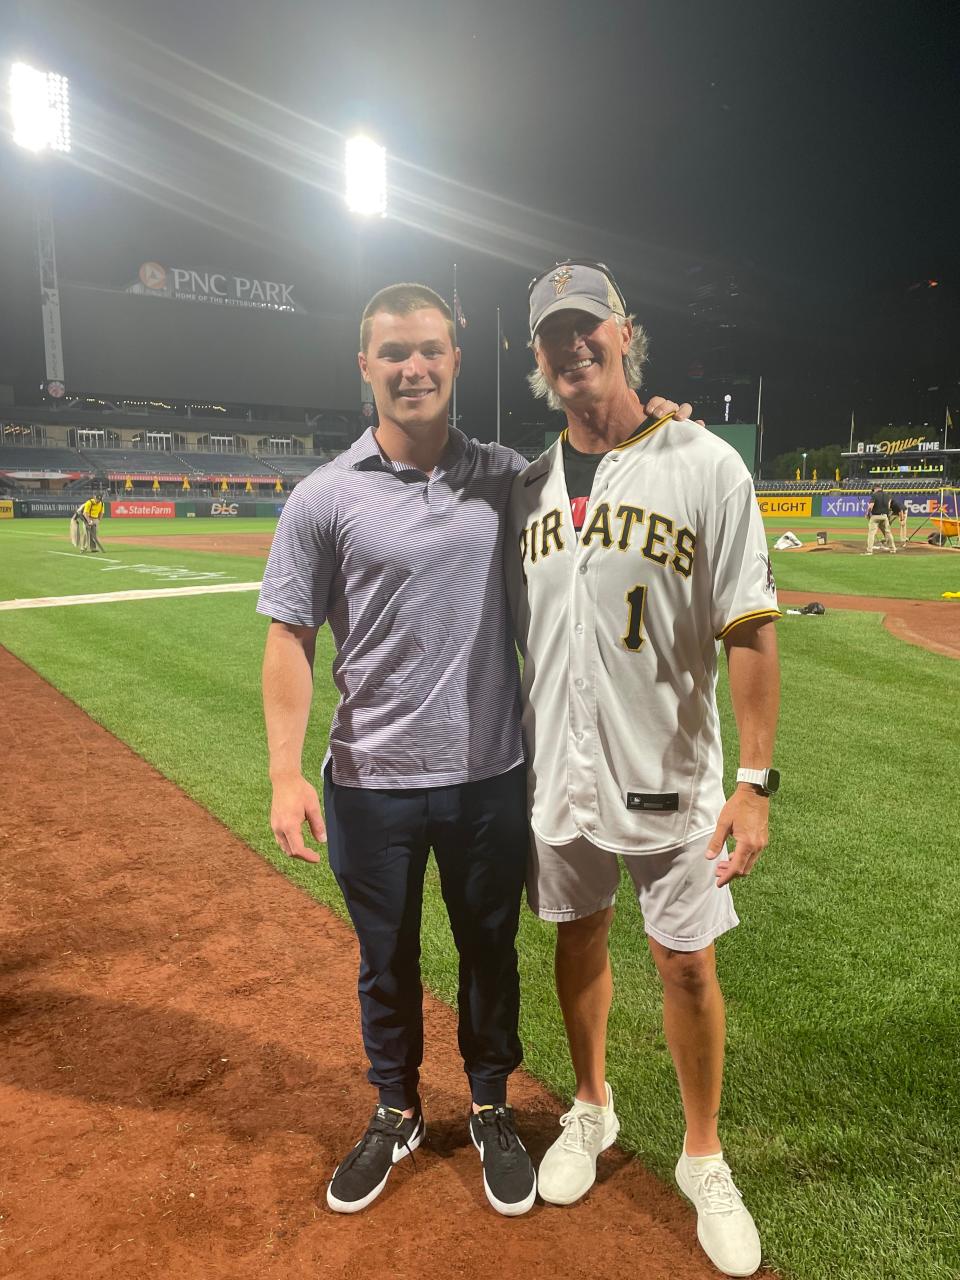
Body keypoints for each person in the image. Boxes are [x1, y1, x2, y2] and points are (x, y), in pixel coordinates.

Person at [258, 278, 695, 1218]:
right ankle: (396, 1107)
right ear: (365, 366)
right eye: (393, 352)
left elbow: (608, 450)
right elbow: (288, 634)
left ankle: (492, 1103)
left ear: (457, 361)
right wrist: (285, 771)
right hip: (369, 780)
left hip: (492, 774)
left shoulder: (511, 477)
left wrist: (655, 418)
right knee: (386, 959)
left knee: (489, 952)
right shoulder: (324, 498)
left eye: (430, 350)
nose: (413, 367)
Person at [505, 261, 781, 1277]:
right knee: (576, 939)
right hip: (560, 772)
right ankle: (592, 1106)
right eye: (552, 335)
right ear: (536, 358)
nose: (573, 346)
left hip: (674, 770)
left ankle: (704, 1155)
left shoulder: (704, 461)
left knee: (686, 962)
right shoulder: (524, 484)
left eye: (589, 328)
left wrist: (756, 777)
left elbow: (749, 624)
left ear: (626, 333)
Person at [864, 485, 897, 555]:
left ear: (875, 489)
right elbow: (888, 507)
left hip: (875, 517)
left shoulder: (874, 495)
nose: (873, 492)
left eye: (873, 490)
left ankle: (869, 551)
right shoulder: (887, 495)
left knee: (871, 533)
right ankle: (893, 549)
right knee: (888, 533)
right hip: (884, 516)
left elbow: (871, 506)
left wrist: (867, 513)